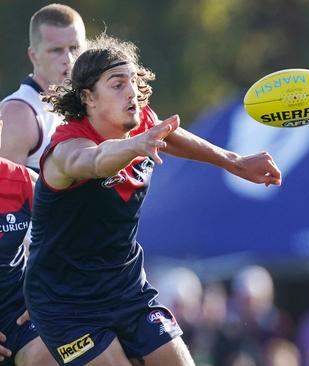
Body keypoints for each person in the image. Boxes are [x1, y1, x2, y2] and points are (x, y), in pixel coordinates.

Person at [23, 34, 282, 366]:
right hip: (65, 301)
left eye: (132, 82)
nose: (131, 91)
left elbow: (168, 134)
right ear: (88, 97)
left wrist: (235, 161)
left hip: (125, 288)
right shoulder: (67, 149)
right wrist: (135, 145)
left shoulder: (141, 125)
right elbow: (96, 160)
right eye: (117, 85)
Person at [0, 3, 86, 178]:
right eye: (56, 50)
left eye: (74, 48)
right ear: (34, 56)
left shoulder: (87, 103)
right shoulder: (20, 112)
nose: (68, 59)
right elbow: (7, 197)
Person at [0, 116, 56, 366]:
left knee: (49, 356)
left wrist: (44, 293)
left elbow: (68, 239)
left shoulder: (22, 181)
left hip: (18, 314)